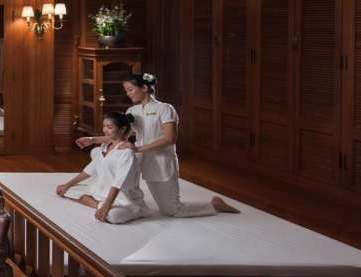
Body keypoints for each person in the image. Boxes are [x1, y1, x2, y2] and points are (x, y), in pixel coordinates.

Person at [76, 73, 239, 217]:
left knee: (172, 211)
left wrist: (138, 148)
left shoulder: (165, 109)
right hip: (138, 159)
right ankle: (110, 202)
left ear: (144, 88)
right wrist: (93, 140)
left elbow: (170, 139)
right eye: (126, 90)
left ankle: (214, 205)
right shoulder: (132, 111)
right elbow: (119, 135)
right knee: (110, 169)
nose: (128, 93)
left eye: (130, 89)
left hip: (160, 161)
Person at [56, 112, 149, 224]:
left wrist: (107, 205)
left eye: (109, 127)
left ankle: (138, 210)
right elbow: (88, 171)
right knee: (67, 190)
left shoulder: (126, 152)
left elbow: (118, 183)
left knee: (113, 216)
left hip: (123, 198)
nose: (105, 130)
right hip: (102, 192)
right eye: (104, 126)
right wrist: (67, 185)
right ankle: (98, 205)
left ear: (122, 129)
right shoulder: (104, 147)